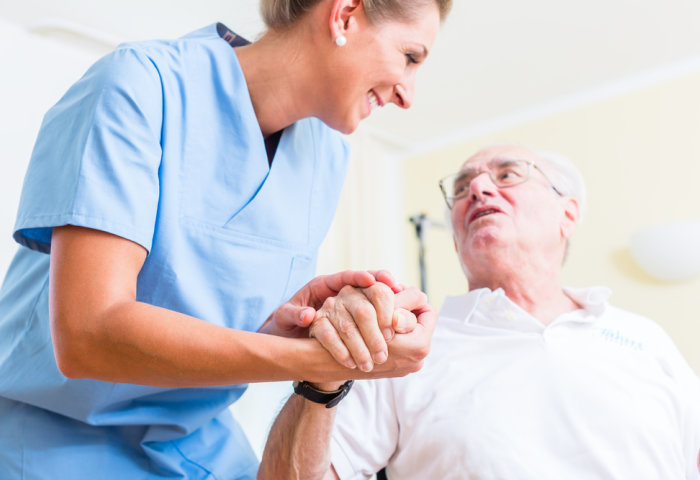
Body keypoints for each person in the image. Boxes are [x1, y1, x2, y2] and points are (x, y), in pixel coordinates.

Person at [0, 0, 453, 478]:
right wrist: (323, 361)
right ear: (344, 14)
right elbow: (88, 334)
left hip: (198, 445)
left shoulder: (325, 155)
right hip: (56, 433)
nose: (408, 96)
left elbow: (203, 313)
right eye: (411, 56)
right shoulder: (141, 84)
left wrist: (303, 325)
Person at [258, 143, 700, 479]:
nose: (479, 189)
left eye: (508, 175)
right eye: (462, 188)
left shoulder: (646, 339)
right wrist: (323, 374)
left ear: (568, 214)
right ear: (455, 239)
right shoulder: (401, 349)